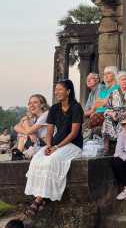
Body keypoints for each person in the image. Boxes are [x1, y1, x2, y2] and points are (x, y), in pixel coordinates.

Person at [24, 79, 83, 217]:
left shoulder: (76, 107)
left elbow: (74, 133)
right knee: (37, 159)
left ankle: (39, 199)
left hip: (73, 144)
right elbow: (49, 131)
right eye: (55, 90)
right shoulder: (55, 109)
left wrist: (56, 147)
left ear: (68, 91)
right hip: (55, 143)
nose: (57, 92)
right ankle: (41, 196)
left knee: (52, 161)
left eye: (60, 89)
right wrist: (49, 145)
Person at [101, 71, 126, 154]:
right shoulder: (113, 93)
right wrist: (112, 113)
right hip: (115, 115)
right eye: (122, 80)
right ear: (118, 81)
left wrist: (123, 114)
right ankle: (106, 148)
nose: (125, 81)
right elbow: (107, 108)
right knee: (107, 119)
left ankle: (124, 148)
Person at [14, 94, 49, 159]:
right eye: (30, 103)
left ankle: (19, 155)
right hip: (38, 143)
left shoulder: (46, 115)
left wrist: (26, 119)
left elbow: (29, 130)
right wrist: (30, 134)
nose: (31, 105)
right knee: (23, 131)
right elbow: (16, 127)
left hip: (47, 143)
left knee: (25, 128)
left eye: (35, 102)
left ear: (42, 105)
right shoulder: (34, 118)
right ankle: (19, 154)